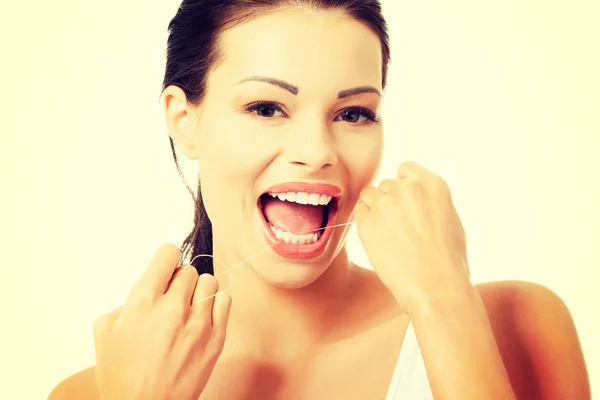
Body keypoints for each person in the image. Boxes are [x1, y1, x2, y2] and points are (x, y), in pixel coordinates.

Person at [49, 1, 591, 399]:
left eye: (353, 113)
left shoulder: (513, 324)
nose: (316, 152)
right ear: (184, 120)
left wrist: (445, 306)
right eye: (266, 107)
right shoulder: (97, 390)